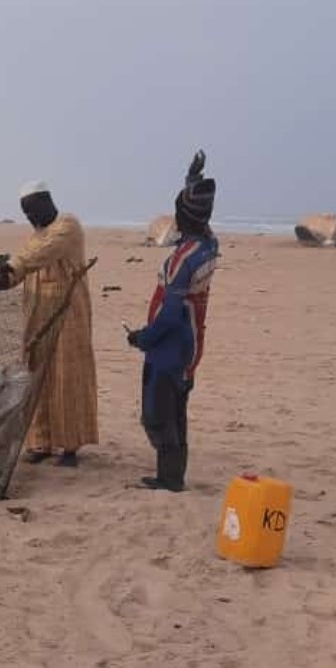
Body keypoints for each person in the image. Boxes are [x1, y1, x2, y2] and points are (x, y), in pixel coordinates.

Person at [0, 181, 99, 467]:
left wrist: (7, 268)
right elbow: (22, 265)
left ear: (46, 203)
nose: (30, 217)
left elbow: (38, 256)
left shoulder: (68, 227)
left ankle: (69, 446)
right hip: (36, 317)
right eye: (25, 213)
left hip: (68, 318)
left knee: (68, 377)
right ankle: (41, 442)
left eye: (32, 210)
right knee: (35, 375)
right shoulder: (35, 236)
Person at [126, 150, 218, 492]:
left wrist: (143, 338)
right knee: (178, 407)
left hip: (172, 344)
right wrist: (192, 180)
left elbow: (168, 315)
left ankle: (168, 477)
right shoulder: (209, 245)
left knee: (159, 410)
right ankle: (173, 474)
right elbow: (201, 217)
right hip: (193, 342)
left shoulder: (183, 259)